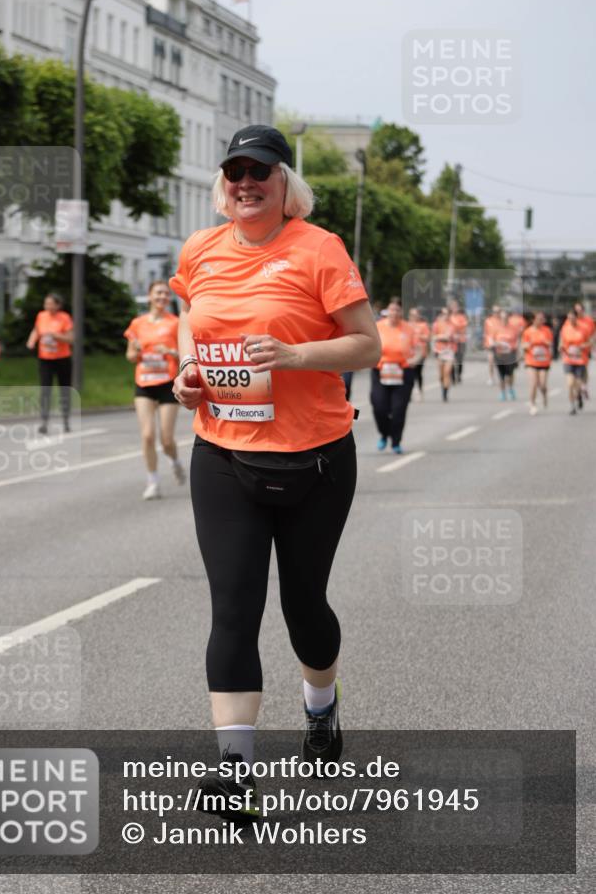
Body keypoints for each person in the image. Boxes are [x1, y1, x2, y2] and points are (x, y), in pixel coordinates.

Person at [169, 125, 380, 817]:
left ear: (285, 183)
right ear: (222, 184)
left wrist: (294, 357)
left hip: (314, 457)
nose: (245, 182)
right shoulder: (200, 249)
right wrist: (188, 369)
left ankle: (320, 704)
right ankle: (236, 772)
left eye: (259, 171)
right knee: (233, 609)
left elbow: (366, 345)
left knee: (303, 608)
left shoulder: (319, 248)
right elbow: (190, 318)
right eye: (234, 171)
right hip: (223, 454)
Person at [124, 280, 185, 500]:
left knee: (166, 440)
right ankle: (153, 482)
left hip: (167, 383)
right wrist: (136, 351)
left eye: (166, 294)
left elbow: (185, 353)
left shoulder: (176, 323)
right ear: (150, 296)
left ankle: (175, 461)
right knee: (148, 435)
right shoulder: (137, 323)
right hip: (144, 383)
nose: (162, 297)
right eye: (158, 293)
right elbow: (130, 356)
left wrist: (170, 351)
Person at [25, 293, 73, 433]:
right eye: (46, 304)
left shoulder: (64, 318)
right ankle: (44, 422)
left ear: (58, 305)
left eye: (51, 304)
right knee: (45, 390)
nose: (47, 306)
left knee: (64, 389)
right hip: (45, 359)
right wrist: (31, 341)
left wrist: (56, 336)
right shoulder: (41, 316)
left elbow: (71, 338)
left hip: (62, 358)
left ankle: (66, 420)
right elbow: (36, 330)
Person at [370, 300, 415, 453]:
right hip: (381, 371)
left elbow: (419, 349)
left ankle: (396, 442)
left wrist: (415, 360)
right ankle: (384, 433)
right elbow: (369, 346)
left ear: (401, 312)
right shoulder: (378, 327)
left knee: (398, 410)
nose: (394, 313)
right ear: (387, 311)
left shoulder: (408, 329)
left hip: (403, 372)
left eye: (397, 310)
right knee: (379, 407)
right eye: (392, 310)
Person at [560, 308, 591, 415]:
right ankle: (572, 406)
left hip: (580, 360)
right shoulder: (565, 328)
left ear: (576, 317)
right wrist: (561, 347)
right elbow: (561, 342)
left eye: (572, 318)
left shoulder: (584, 328)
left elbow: (590, 342)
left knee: (578, 385)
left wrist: (583, 346)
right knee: (570, 384)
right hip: (568, 359)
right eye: (569, 318)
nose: (571, 320)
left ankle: (579, 396)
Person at [521, 311, 553, 414]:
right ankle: (533, 404)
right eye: (539, 319)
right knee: (533, 383)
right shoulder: (528, 331)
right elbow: (523, 345)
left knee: (542, 384)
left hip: (543, 361)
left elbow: (550, 343)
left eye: (542, 319)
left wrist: (545, 343)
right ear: (533, 320)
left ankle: (544, 395)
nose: (541, 321)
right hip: (531, 361)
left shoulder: (547, 330)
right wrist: (529, 344)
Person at [492, 310, 520, 401]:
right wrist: (496, 345)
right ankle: (502, 392)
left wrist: (517, 354)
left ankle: (510, 388)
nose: (504, 319)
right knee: (501, 375)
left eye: (506, 317)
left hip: (510, 355)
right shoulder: (496, 328)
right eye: (502, 317)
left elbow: (517, 341)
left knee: (509, 375)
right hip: (499, 355)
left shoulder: (513, 328)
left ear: (508, 318)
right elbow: (492, 340)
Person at [431, 307, 456, 402]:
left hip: (449, 351)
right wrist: (440, 337)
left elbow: (449, 337)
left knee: (447, 372)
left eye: (448, 314)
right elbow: (433, 337)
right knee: (441, 375)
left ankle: (445, 394)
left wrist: (440, 337)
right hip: (439, 351)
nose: (446, 316)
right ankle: (443, 387)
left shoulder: (451, 325)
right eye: (444, 314)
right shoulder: (436, 324)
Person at [408, 307, 430, 400]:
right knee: (410, 374)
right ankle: (409, 393)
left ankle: (420, 391)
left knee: (418, 373)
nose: (413, 317)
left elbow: (427, 338)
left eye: (415, 315)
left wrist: (418, 335)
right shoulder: (406, 325)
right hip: (410, 353)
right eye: (412, 315)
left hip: (421, 353)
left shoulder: (423, 325)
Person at [574, 302, 595, 399]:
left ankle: (584, 385)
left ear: (583, 310)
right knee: (574, 371)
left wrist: (591, 344)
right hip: (573, 350)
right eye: (576, 310)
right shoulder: (571, 320)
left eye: (580, 310)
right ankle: (577, 389)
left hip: (585, 349)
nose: (578, 312)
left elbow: (593, 334)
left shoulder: (589, 321)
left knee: (584, 368)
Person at [448, 299, 468, 384]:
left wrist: (455, 328)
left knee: (459, 359)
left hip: (461, 340)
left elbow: (463, 326)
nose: (454, 308)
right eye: (452, 306)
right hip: (451, 341)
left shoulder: (462, 317)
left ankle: (459, 375)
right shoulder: (448, 317)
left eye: (455, 306)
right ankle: (452, 377)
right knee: (451, 359)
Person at [484, 305, 502, 385]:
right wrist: (486, 343)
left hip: (500, 344)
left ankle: (501, 376)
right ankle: (491, 377)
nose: (496, 313)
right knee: (490, 361)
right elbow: (486, 333)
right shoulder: (488, 321)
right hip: (490, 344)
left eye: (498, 311)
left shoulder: (502, 321)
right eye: (495, 311)